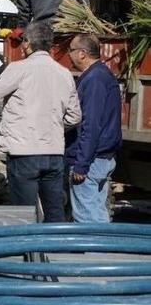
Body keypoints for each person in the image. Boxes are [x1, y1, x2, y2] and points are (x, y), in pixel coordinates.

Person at [0, 21, 82, 222]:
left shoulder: (19, 69)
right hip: (53, 153)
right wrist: (52, 127)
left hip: (24, 153)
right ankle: (55, 251)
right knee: (55, 211)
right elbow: (74, 116)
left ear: (28, 43)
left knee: (25, 215)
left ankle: (30, 252)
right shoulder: (64, 74)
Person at [65, 34, 123, 223]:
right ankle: (104, 249)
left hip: (91, 161)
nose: (69, 55)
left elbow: (90, 125)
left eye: (71, 50)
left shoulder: (94, 79)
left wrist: (82, 163)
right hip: (99, 158)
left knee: (87, 219)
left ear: (82, 53)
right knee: (97, 213)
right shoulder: (100, 75)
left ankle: (96, 253)